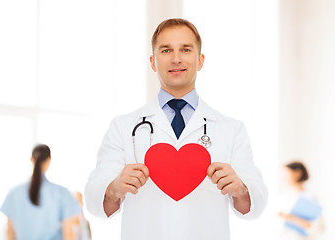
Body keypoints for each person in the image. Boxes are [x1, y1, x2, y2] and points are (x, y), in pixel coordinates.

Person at [85, 18, 268, 240]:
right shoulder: (123, 127)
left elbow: (256, 203)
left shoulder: (231, 129)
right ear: (153, 62)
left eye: (186, 49)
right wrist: (113, 187)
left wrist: (240, 189)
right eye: (166, 50)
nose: (176, 58)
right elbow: (95, 200)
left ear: (200, 60)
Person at [0, 144, 81, 240]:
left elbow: (10, 232)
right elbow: (68, 233)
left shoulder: (14, 193)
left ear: (31, 160)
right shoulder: (62, 193)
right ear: (49, 160)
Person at [278, 161, 325, 240]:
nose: (282, 178)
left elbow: (320, 228)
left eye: (285, 175)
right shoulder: (282, 196)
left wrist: (292, 218)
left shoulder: (309, 197)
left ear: (297, 173)